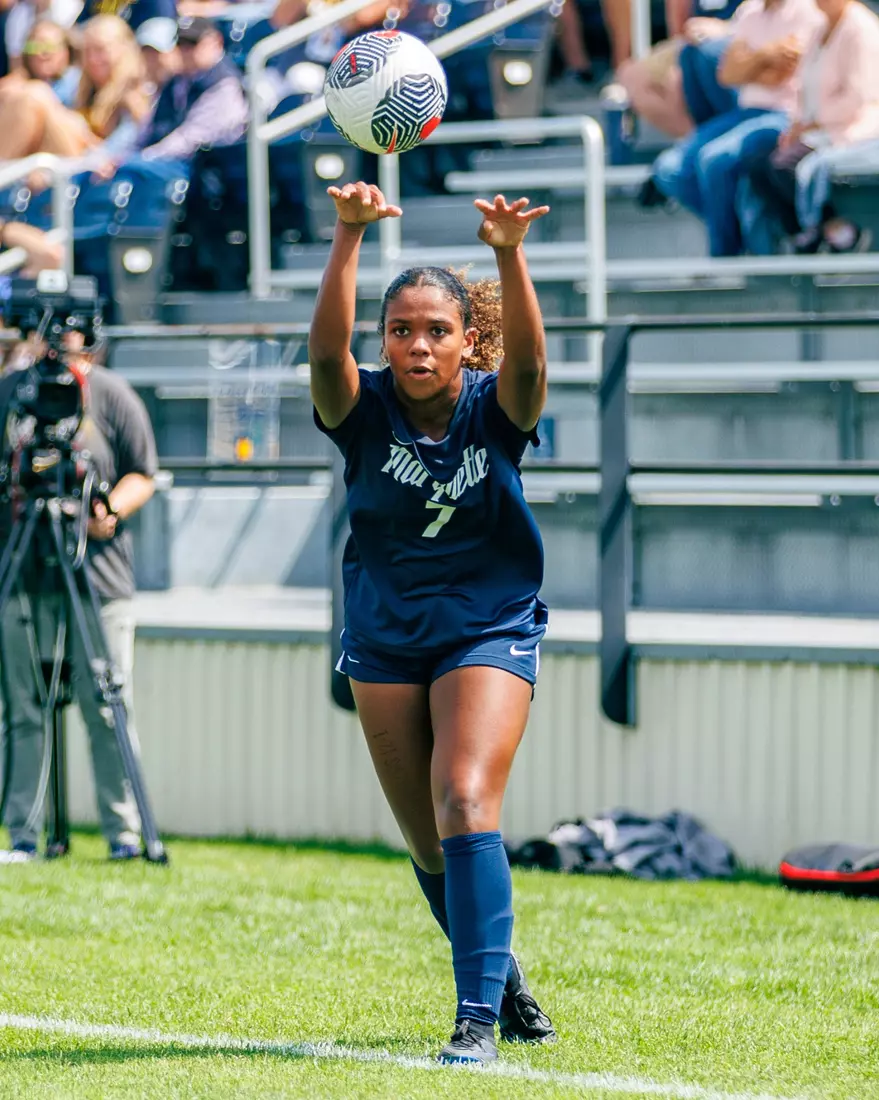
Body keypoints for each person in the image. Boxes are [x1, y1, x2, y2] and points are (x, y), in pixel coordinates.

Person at [308, 181, 556, 1065]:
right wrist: (347, 235)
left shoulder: (494, 407)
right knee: (427, 840)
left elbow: (531, 367)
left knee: (463, 801)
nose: (417, 344)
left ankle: (475, 1021)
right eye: (401, 329)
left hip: (485, 624)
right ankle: (500, 970)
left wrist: (506, 253)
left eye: (437, 330)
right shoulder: (359, 408)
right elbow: (323, 349)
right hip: (383, 634)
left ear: (467, 343)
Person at [0, 336, 158, 863]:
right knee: (23, 709)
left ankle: (124, 835)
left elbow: (143, 472)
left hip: (98, 575)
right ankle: (21, 834)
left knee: (107, 707)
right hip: (23, 573)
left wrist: (107, 509)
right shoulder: (10, 393)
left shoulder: (113, 395)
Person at [649, 0, 825, 256]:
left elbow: (781, 73)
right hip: (745, 113)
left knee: (714, 159)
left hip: (785, 115)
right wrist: (765, 56)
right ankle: (742, 233)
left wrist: (748, 62)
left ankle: (725, 258)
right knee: (668, 170)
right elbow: (728, 74)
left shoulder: (807, 11)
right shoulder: (749, 10)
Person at [743, 0, 879, 253]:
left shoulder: (863, 29)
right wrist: (796, 124)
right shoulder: (820, 28)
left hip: (853, 128)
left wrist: (811, 123)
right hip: (816, 129)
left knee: (784, 165)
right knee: (757, 167)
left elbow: (858, 97)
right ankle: (804, 235)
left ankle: (841, 231)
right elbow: (803, 88)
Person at [0, 13, 148, 160]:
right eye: (87, 51)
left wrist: (83, 134)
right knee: (30, 95)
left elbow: (123, 151)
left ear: (123, 50)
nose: (92, 59)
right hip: (64, 159)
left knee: (36, 94)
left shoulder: (132, 94)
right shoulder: (80, 88)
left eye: (100, 49)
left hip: (93, 166)